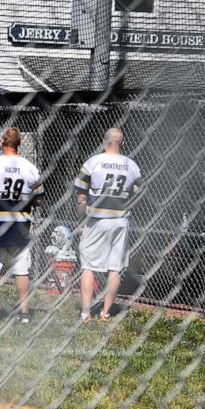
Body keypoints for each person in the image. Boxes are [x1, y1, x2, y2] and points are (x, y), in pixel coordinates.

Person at [0, 127, 44, 324]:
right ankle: (25, 314)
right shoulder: (31, 168)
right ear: (19, 143)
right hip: (19, 225)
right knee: (21, 270)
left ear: (2, 141)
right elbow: (38, 200)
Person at [74, 127, 142, 321]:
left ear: (104, 141)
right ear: (122, 142)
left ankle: (86, 313)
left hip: (97, 219)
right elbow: (137, 194)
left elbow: (81, 197)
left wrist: (81, 223)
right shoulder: (131, 165)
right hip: (120, 219)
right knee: (115, 267)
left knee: (88, 265)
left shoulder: (93, 162)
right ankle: (105, 313)